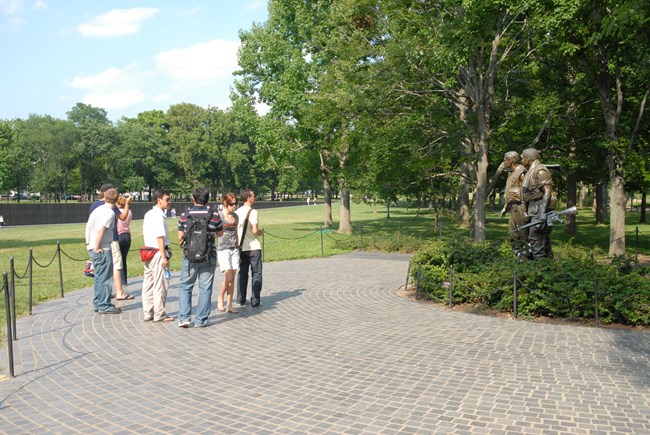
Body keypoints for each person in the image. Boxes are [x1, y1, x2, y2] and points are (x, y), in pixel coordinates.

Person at [176, 187, 223, 328]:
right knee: (205, 287)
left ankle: (184, 318)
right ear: (208, 199)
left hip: (189, 256)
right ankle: (201, 320)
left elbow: (179, 238)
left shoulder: (185, 214)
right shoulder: (214, 215)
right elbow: (220, 234)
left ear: (193, 198)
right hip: (208, 256)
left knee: (185, 286)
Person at [89, 183, 133, 300]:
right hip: (109, 241)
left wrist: (89, 243)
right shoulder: (110, 208)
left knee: (99, 274)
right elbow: (123, 217)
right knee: (115, 266)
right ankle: (118, 293)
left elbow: (89, 225)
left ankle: (99, 299)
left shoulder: (93, 206)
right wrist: (127, 204)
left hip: (94, 242)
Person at [86, 188, 121, 314]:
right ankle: (104, 304)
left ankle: (97, 302)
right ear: (116, 200)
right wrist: (97, 247)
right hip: (102, 248)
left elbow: (89, 226)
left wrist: (88, 243)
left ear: (104, 197)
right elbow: (101, 230)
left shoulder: (97, 210)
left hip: (92, 246)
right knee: (105, 277)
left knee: (98, 277)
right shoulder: (109, 213)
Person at [142, 189, 174, 322]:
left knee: (148, 283)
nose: (169, 202)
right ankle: (159, 313)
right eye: (167, 199)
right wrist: (163, 256)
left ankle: (148, 312)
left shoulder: (149, 213)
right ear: (159, 199)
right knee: (160, 284)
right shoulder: (158, 215)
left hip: (148, 252)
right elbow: (159, 237)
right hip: (157, 253)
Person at [521, 148, 555, 259]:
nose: (521, 160)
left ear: (528, 158)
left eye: (522, 158)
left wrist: (543, 213)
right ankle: (549, 268)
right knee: (541, 241)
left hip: (540, 210)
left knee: (536, 238)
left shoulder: (540, 171)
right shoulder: (530, 170)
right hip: (533, 209)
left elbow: (547, 192)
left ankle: (540, 270)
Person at [236, 190, 264, 307]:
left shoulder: (236, 212)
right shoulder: (253, 212)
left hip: (241, 247)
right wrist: (260, 232)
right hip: (253, 247)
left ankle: (241, 299)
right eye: (253, 195)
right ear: (248, 198)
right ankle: (255, 299)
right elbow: (254, 230)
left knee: (242, 274)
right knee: (256, 274)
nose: (255, 197)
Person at [498, 151, 528, 247]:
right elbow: (510, 193)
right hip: (513, 207)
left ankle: (527, 258)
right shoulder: (511, 173)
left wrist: (526, 210)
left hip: (521, 207)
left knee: (523, 234)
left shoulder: (522, 172)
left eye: (505, 160)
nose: (503, 163)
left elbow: (528, 191)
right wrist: (505, 207)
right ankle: (518, 256)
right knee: (513, 234)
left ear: (511, 161)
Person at [217, 193, 240, 314]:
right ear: (225, 203)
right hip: (223, 248)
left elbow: (236, 233)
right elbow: (217, 232)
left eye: (235, 204)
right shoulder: (220, 216)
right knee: (228, 275)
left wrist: (238, 246)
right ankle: (220, 297)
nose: (234, 206)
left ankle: (229, 304)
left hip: (234, 248)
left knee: (233, 277)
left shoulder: (236, 216)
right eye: (231, 204)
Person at [117, 195, 132, 287]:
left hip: (119, 235)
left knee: (118, 260)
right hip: (127, 235)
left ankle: (120, 279)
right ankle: (124, 280)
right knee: (123, 259)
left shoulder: (118, 213)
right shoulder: (129, 211)